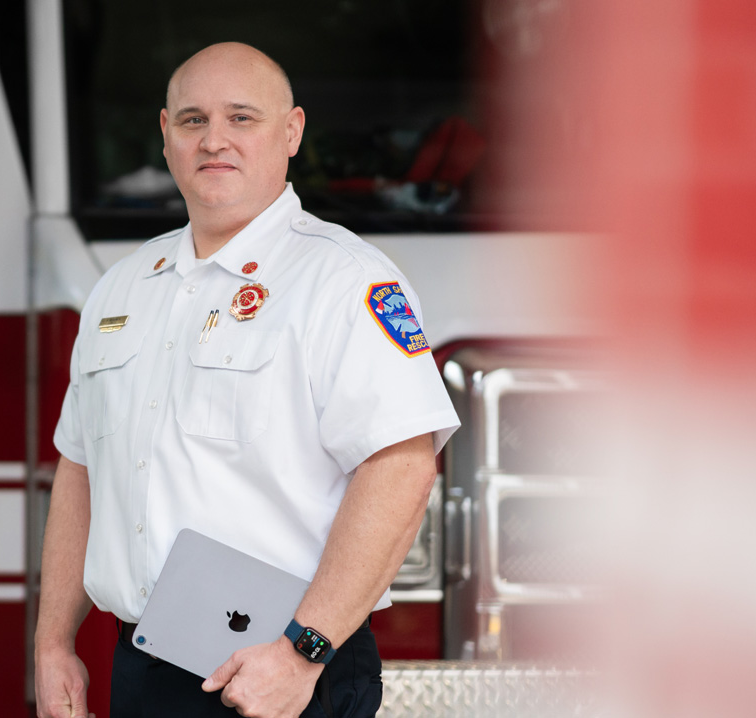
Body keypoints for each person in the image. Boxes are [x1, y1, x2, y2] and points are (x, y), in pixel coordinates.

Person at [35, 42, 460, 718]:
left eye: (242, 118)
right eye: (194, 119)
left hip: (282, 674)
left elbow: (402, 469)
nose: (215, 140)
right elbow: (81, 466)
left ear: (290, 132)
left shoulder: (345, 281)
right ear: (166, 134)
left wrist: (301, 653)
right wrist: (54, 640)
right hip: (145, 667)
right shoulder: (120, 289)